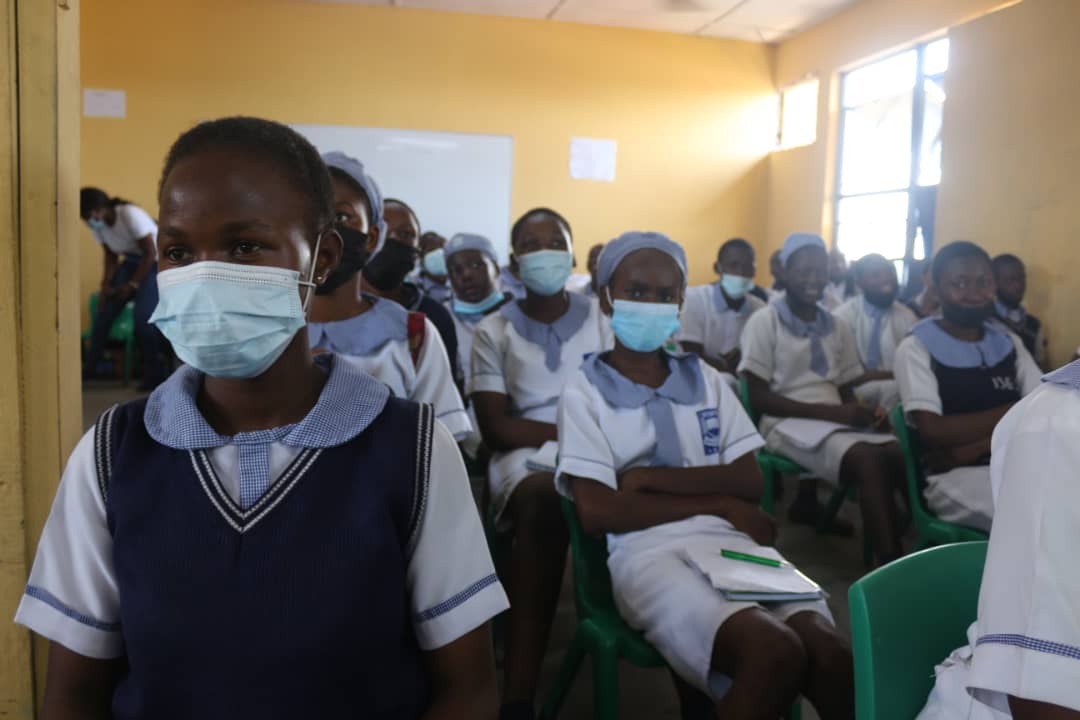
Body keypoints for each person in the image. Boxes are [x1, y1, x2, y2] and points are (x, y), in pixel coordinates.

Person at [15, 116, 507, 719]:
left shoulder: (413, 448)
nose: (206, 274)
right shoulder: (113, 452)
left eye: (244, 244)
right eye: (177, 252)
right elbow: (72, 695)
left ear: (321, 256)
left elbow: (469, 689)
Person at [556, 231, 853, 719]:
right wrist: (717, 501)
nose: (651, 304)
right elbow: (599, 510)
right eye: (636, 292)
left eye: (665, 294)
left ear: (680, 302)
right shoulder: (584, 391)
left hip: (731, 541)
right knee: (774, 652)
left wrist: (648, 480)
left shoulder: (708, 380)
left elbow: (749, 480)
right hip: (647, 552)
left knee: (831, 656)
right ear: (606, 298)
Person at [469, 207, 612, 719]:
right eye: (532, 244)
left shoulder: (602, 317)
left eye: (556, 240)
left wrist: (589, 439)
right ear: (514, 261)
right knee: (544, 500)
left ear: (573, 252)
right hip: (526, 453)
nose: (545, 251)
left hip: (602, 443)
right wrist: (570, 434)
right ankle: (519, 693)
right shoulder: (493, 330)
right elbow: (498, 427)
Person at [917, 360, 1080, 720]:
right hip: (1030, 697)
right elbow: (1041, 698)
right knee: (870, 460)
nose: (974, 297)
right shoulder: (1062, 424)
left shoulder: (1007, 344)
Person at [739, 233, 906, 564]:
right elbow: (758, 397)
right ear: (784, 273)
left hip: (832, 419)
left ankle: (896, 536)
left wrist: (862, 412)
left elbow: (844, 385)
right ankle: (888, 562)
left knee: (897, 451)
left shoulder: (835, 325)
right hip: (785, 422)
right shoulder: (765, 321)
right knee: (869, 460)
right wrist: (836, 415)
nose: (813, 280)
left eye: (819, 271)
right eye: (803, 272)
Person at [306, 153, 473, 444]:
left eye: (342, 216)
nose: (325, 229)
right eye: (309, 214)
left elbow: (440, 442)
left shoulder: (413, 335)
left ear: (371, 238)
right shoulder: (259, 330)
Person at [894, 242, 1041, 533]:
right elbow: (934, 431)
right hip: (954, 476)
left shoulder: (1008, 342)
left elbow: (1043, 405)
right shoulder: (916, 347)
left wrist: (975, 445)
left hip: (1011, 459)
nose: (974, 293)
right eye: (959, 283)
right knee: (1040, 518)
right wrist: (1015, 411)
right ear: (935, 290)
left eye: (983, 282)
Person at [357, 190, 460, 383]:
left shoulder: (434, 316)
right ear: (367, 237)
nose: (393, 240)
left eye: (406, 234)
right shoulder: (333, 310)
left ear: (417, 252)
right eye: (384, 230)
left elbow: (444, 398)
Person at [79, 187, 170, 390]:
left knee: (143, 319)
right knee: (104, 312)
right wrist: (105, 286)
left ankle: (154, 374)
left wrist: (132, 285)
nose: (88, 221)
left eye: (88, 215)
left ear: (100, 209)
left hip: (154, 262)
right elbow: (110, 256)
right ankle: (90, 369)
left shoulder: (128, 214)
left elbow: (150, 252)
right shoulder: (99, 225)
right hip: (130, 262)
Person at [832, 254, 918, 410]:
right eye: (876, 275)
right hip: (850, 390)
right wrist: (891, 375)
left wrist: (881, 375)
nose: (887, 279)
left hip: (898, 386)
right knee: (893, 389)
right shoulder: (842, 316)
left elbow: (913, 366)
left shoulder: (907, 316)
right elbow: (846, 375)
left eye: (890, 272)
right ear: (860, 283)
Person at [678, 237, 766, 382]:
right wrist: (727, 368)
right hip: (699, 378)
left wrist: (744, 354)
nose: (741, 273)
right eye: (734, 265)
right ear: (717, 268)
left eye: (748, 267)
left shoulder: (760, 309)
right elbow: (691, 354)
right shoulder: (694, 299)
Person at [444, 232, 512, 390]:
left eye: (476, 265)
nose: (466, 275)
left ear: (495, 268)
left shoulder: (520, 314)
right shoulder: (442, 319)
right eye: (456, 270)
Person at [992, 254, 1047, 369]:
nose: (1019, 285)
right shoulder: (985, 321)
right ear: (994, 283)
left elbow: (1039, 366)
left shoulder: (1034, 325)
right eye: (1010, 280)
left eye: (1022, 278)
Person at [418, 231, 452, 304]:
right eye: (432, 250)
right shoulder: (410, 287)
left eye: (444, 250)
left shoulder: (464, 286)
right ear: (421, 257)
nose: (439, 254)